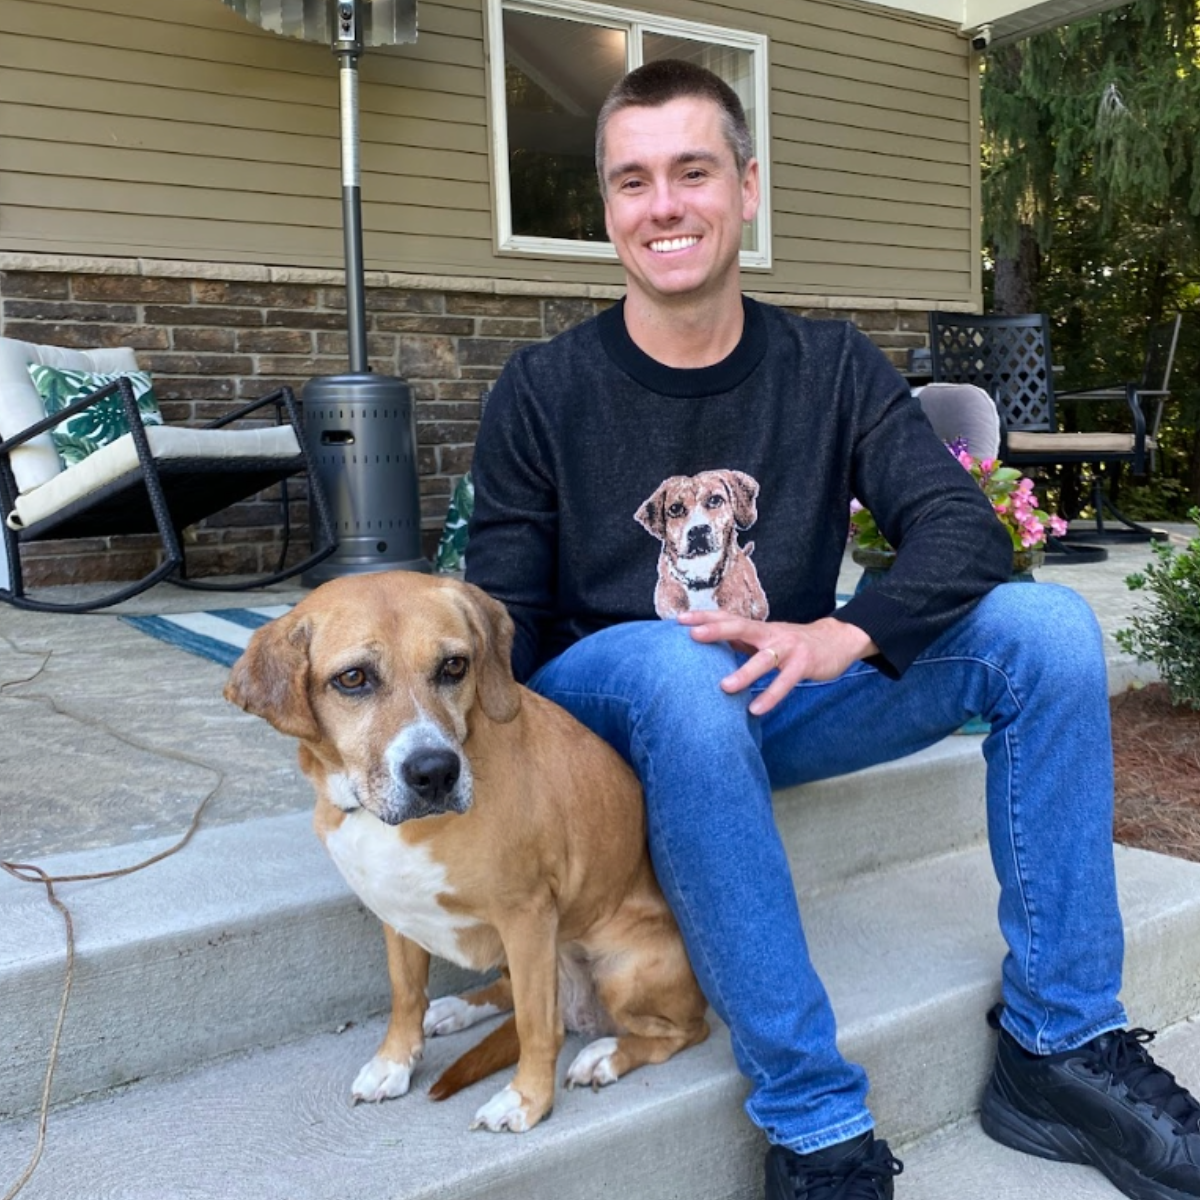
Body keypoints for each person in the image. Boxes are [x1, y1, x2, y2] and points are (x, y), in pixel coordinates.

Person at [464, 58, 1200, 1200]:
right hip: (616, 717)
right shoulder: (543, 389)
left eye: (693, 171)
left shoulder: (831, 365)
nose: (663, 205)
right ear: (609, 208)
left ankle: (1060, 1043)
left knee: (1045, 631)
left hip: (783, 688)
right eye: (632, 181)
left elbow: (964, 534)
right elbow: (504, 627)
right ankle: (814, 1123)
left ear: (747, 188)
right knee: (677, 663)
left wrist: (843, 636)